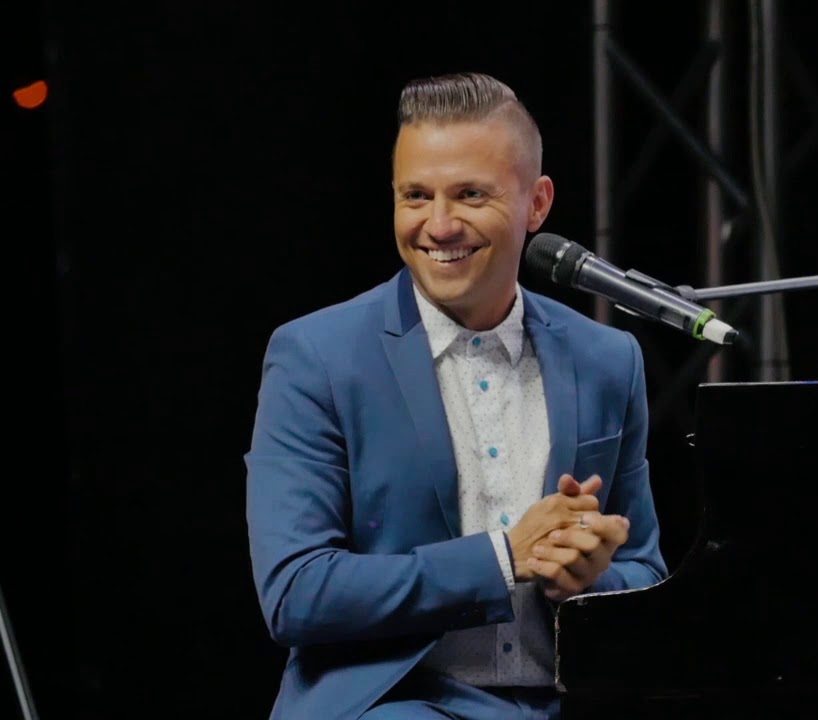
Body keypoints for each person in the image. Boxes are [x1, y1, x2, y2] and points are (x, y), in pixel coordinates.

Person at [244, 72, 668, 720]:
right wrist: (502, 558)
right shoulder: (317, 357)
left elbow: (645, 573)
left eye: (470, 194)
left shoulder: (608, 360)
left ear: (537, 203)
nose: (439, 226)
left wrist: (589, 579)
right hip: (394, 704)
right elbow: (297, 591)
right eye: (416, 196)